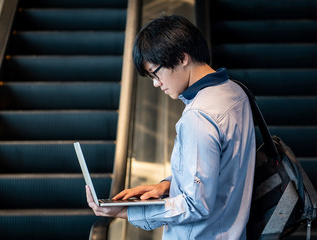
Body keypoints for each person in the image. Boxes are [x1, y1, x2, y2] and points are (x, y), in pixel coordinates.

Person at [85, 14, 256, 240]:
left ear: (182, 58)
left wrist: (127, 212)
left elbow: (196, 206)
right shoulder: (235, 91)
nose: (157, 83)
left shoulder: (198, 116)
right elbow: (221, 168)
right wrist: (167, 185)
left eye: (156, 73)